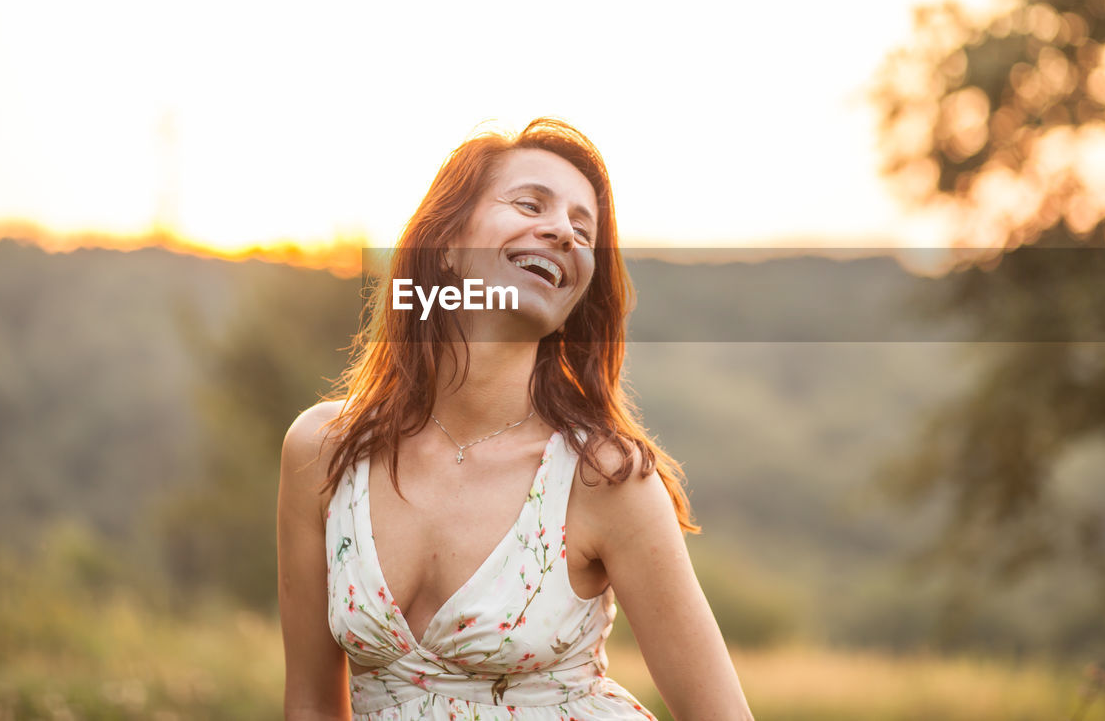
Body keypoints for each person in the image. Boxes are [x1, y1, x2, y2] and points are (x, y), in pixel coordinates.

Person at [277, 118, 753, 719]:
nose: (563, 232)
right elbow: (311, 707)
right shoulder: (321, 451)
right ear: (446, 244)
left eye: (584, 232)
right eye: (531, 204)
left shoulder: (604, 478)